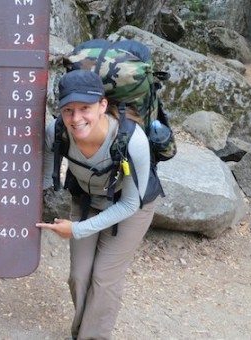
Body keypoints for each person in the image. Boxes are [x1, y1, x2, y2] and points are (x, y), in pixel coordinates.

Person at [36, 70, 159, 340]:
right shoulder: (56, 131)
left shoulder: (131, 140)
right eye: (68, 110)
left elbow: (129, 204)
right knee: (79, 277)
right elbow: (45, 167)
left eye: (85, 108)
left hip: (132, 208)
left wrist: (77, 230)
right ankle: (81, 332)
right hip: (87, 199)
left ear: (103, 105)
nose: (76, 118)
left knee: (104, 279)